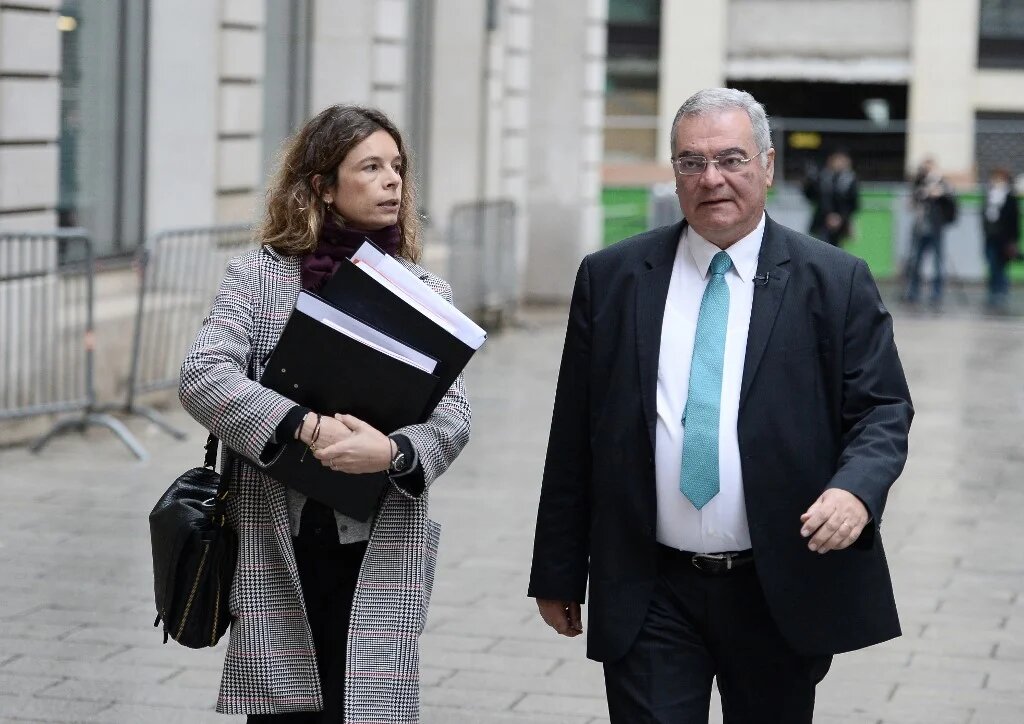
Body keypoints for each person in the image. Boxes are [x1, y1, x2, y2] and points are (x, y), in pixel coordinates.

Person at [528, 88, 913, 723]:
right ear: (673, 171)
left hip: (776, 587)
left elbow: (882, 409)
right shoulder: (614, 278)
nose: (712, 179)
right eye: (691, 162)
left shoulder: (834, 281)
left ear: (767, 165)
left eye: (731, 159)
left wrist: (855, 490)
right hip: (649, 586)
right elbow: (574, 432)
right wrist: (558, 570)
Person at [179, 104, 471, 723]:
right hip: (275, 542)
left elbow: (453, 418)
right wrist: (303, 426)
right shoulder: (260, 278)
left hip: (380, 543)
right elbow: (202, 376)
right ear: (322, 185)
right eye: (370, 166)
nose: (393, 179)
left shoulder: (424, 291)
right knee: (284, 711)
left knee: (366, 709)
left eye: (398, 166)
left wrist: (392, 452)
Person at [903, 157, 957, 307]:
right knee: (915, 261)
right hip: (920, 228)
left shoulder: (943, 183)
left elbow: (951, 200)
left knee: (938, 262)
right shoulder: (918, 183)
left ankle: (937, 293)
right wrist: (922, 191)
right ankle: (913, 291)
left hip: (936, 228)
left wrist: (939, 192)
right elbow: (911, 202)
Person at [981, 167, 1021, 311]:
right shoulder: (989, 196)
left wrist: (1013, 240)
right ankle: (993, 292)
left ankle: (1001, 292)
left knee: (1002, 266)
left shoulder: (1010, 198)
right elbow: (984, 217)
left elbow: (1014, 221)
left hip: (1004, 239)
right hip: (990, 237)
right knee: (991, 265)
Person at [802, 150, 859, 246]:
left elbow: (854, 204)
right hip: (822, 222)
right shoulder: (821, 177)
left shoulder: (849, 181)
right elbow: (811, 196)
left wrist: (841, 218)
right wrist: (809, 182)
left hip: (841, 225)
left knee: (837, 251)